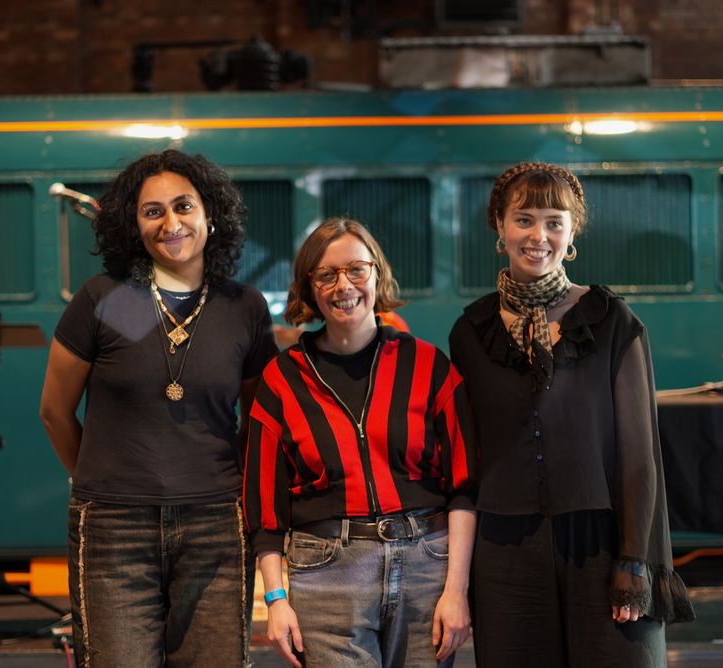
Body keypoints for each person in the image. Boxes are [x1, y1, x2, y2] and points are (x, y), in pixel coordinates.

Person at [448, 162, 695, 667]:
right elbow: (466, 458)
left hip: (602, 547)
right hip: (504, 552)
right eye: (524, 219)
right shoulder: (471, 332)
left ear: (572, 232)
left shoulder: (611, 321)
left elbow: (640, 457)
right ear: (499, 226)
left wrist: (634, 559)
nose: (539, 235)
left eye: (554, 221)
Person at [39, 149, 278, 667]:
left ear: (210, 216)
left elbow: (258, 422)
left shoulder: (243, 309)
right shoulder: (112, 300)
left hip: (216, 523)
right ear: (135, 225)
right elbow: (55, 412)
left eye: (184, 206)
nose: (171, 223)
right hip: (114, 527)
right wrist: (100, 482)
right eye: (153, 211)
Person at [243, 217, 477, 667]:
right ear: (309, 288)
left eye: (356, 269)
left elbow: (464, 488)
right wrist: (275, 599)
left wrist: (457, 590)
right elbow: (264, 509)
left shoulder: (428, 366)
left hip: (427, 567)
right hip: (327, 576)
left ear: (376, 273)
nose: (342, 286)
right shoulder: (282, 379)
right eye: (325, 275)